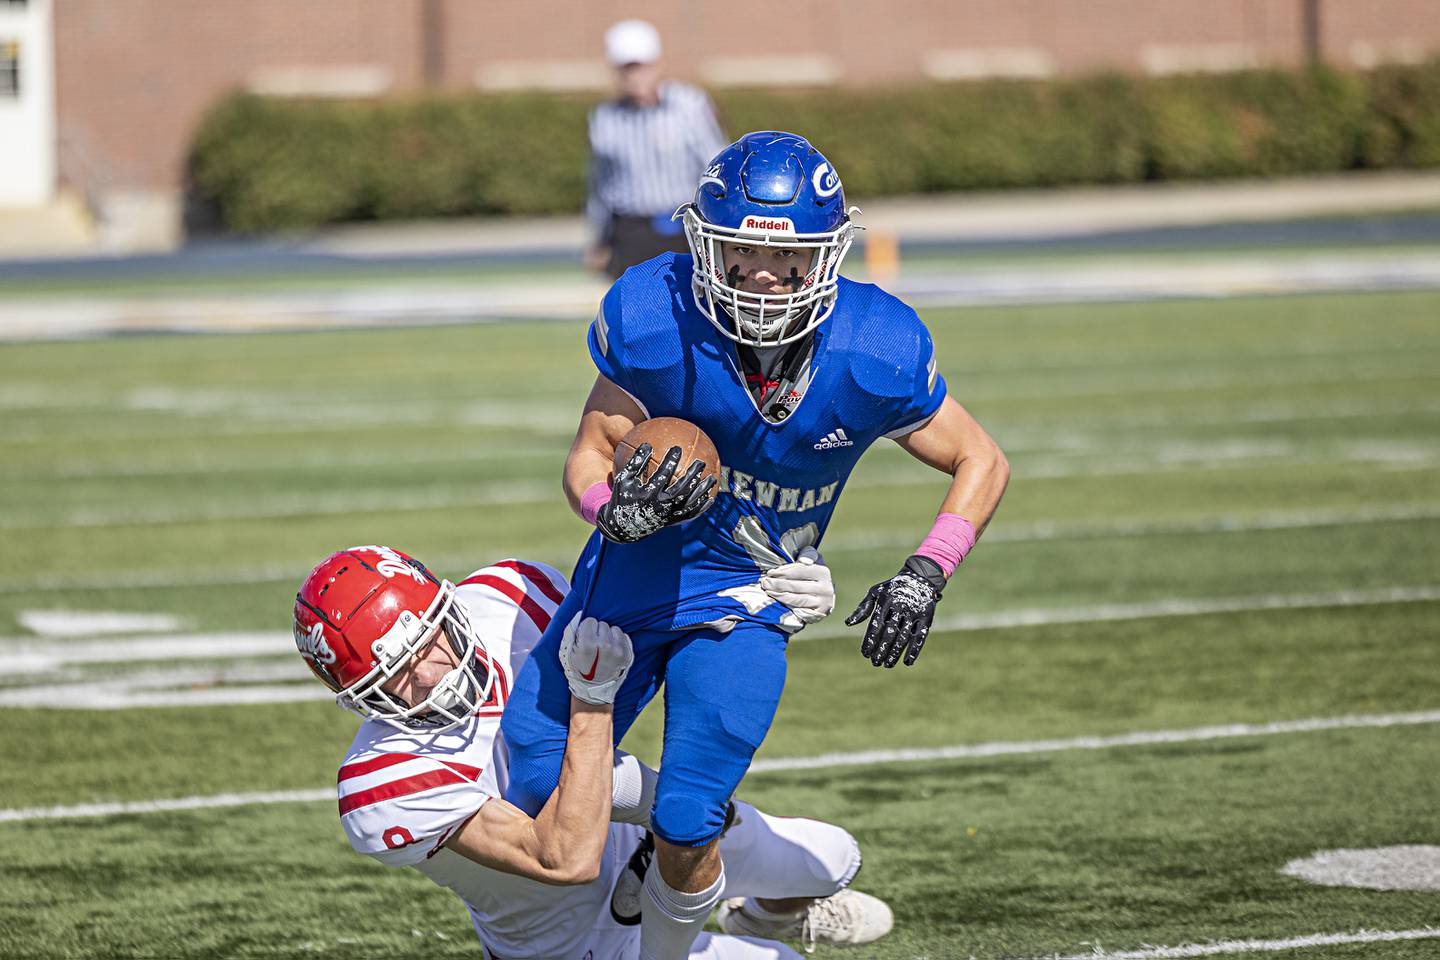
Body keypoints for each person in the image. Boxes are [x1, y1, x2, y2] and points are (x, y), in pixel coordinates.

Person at [501, 131, 1010, 959]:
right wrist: (609, 513)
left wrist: (925, 573)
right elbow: (589, 456)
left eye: (787, 257)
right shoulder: (656, 314)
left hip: (753, 599)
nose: (763, 276)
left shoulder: (876, 345)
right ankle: (756, 851)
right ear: (707, 243)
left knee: (688, 823)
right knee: (532, 782)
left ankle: (713, 894)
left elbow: (979, 458)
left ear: (827, 254)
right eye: (739, 252)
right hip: (633, 579)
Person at [292, 544, 893, 959]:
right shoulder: (382, 782)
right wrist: (592, 701)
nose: (430, 675)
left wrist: (761, 594)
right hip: (565, 944)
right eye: (393, 678)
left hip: (636, 837)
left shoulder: (507, 597)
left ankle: (762, 914)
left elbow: (653, 614)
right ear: (359, 699)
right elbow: (564, 857)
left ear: (447, 606)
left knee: (835, 858)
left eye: (429, 642)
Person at [585, 19, 727, 280]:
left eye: (640, 66)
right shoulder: (605, 118)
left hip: (685, 226)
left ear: (657, 64)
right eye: (627, 68)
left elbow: (715, 166)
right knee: (632, 312)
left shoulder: (690, 105)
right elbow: (600, 186)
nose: (635, 76)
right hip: (631, 231)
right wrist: (598, 240)